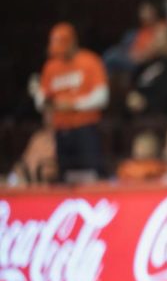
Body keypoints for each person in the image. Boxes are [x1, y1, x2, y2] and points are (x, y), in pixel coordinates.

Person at [31, 22, 109, 181]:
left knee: (92, 174)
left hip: (86, 128)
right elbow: (42, 100)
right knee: (64, 177)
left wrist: (74, 105)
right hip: (61, 130)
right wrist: (42, 98)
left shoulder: (90, 61)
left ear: (73, 42)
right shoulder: (51, 66)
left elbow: (102, 97)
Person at [103, 1, 166, 73]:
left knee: (111, 56)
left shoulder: (160, 28)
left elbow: (155, 50)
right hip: (131, 54)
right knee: (113, 51)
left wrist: (139, 55)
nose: (142, 15)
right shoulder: (143, 28)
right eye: (141, 12)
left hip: (139, 61)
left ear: (154, 13)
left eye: (146, 11)